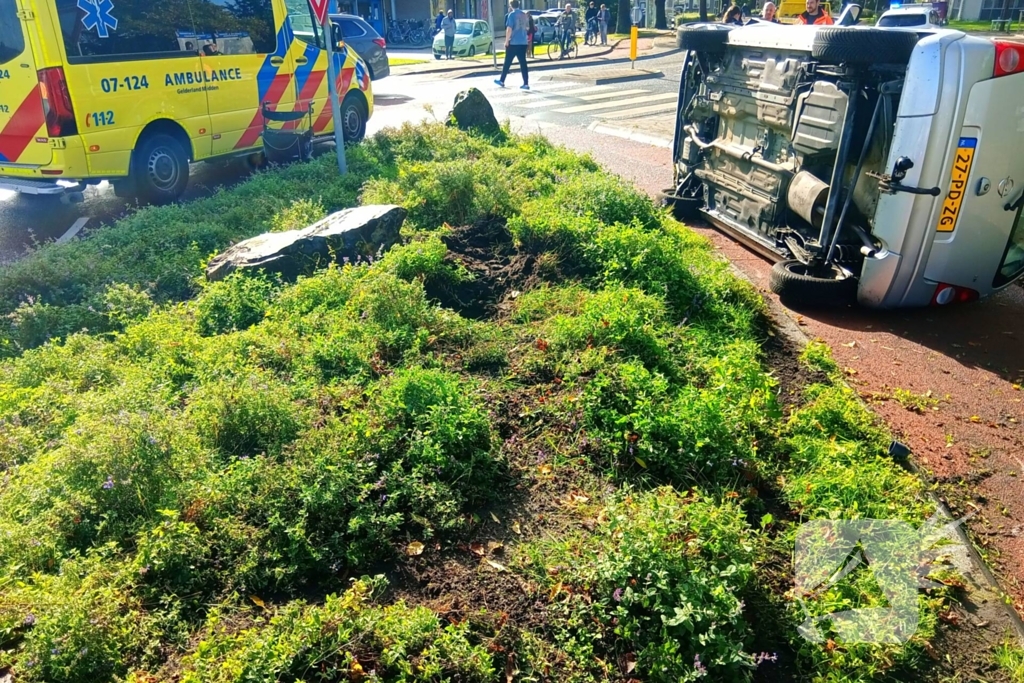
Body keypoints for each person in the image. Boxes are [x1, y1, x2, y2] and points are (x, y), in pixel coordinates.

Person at [495, 0, 530, 90]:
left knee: (507, 62)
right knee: (523, 63)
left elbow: (509, 29)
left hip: (514, 42)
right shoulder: (524, 15)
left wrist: (506, 41)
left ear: (511, 5)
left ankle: (502, 80)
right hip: (523, 42)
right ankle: (526, 83)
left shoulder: (511, 15)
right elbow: (527, 27)